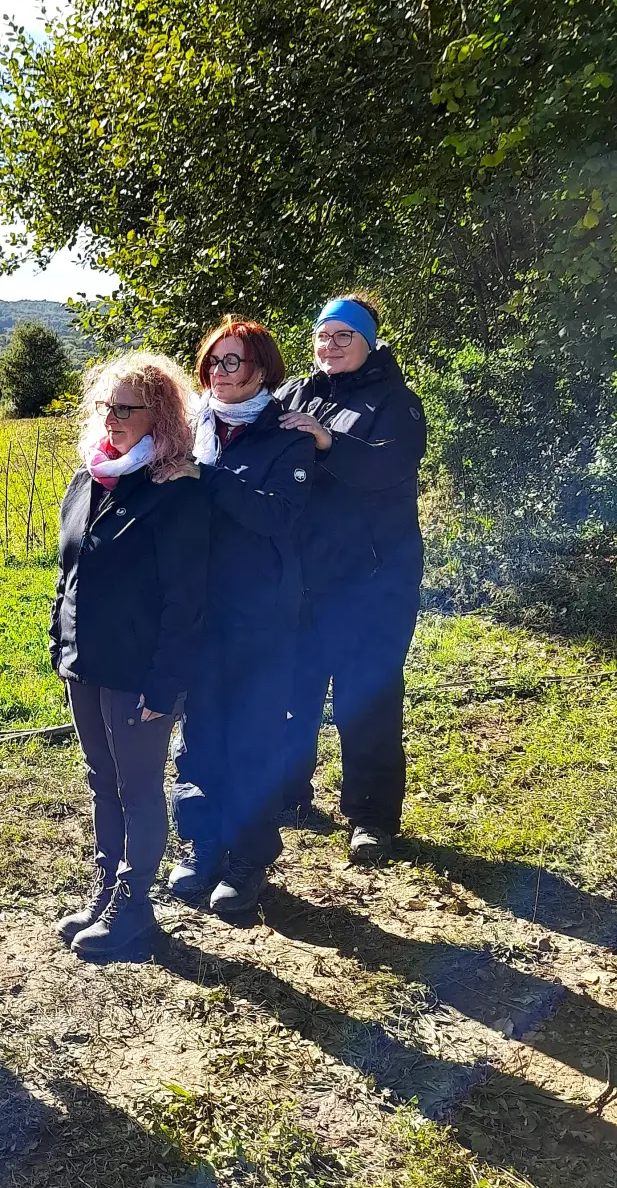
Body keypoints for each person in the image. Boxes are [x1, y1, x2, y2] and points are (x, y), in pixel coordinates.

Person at [50, 352, 208, 960]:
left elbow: (186, 602)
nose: (111, 419)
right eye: (104, 407)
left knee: (139, 786)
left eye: (125, 408)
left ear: (160, 415)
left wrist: (163, 685)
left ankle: (134, 906)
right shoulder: (90, 476)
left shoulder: (177, 491)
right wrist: (60, 642)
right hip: (84, 661)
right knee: (101, 781)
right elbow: (71, 571)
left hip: (139, 671)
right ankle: (105, 889)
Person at [167, 317, 314, 916]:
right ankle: (202, 845)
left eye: (234, 362)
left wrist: (206, 479)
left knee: (253, 735)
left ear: (263, 369)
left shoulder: (288, 435)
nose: (220, 373)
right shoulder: (188, 430)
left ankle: (249, 858)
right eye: (213, 361)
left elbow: (277, 516)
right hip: (197, 612)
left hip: (260, 615)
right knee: (198, 736)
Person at [277, 293, 427, 862]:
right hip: (305, 576)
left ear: (369, 343)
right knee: (295, 690)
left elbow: (387, 465)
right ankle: (289, 794)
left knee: (365, 700)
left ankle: (371, 817)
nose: (331, 345)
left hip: (374, 580)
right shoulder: (296, 393)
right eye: (324, 335)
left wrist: (326, 441)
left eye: (345, 336)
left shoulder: (396, 402)